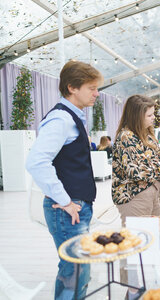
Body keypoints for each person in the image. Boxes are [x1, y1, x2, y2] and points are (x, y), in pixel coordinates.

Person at [26, 61, 103, 300]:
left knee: (78, 271)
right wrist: (64, 200)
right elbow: (36, 162)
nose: (96, 93)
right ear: (72, 87)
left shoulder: (72, 117)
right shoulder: (61, 119)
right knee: (74, 272)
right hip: (67, 210)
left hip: (75, 208)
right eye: (91, 88)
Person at [112, 95, 160, 299]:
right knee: (133, 243)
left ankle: (155, 282)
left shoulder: (147, 134)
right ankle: (132, 290)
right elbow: (136, 171)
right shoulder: (125, 136)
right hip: (134, 196)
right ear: (136, 115)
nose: (152, 118)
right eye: (148, 115)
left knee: (155, 239)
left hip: (152, 193)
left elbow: (151, 162)